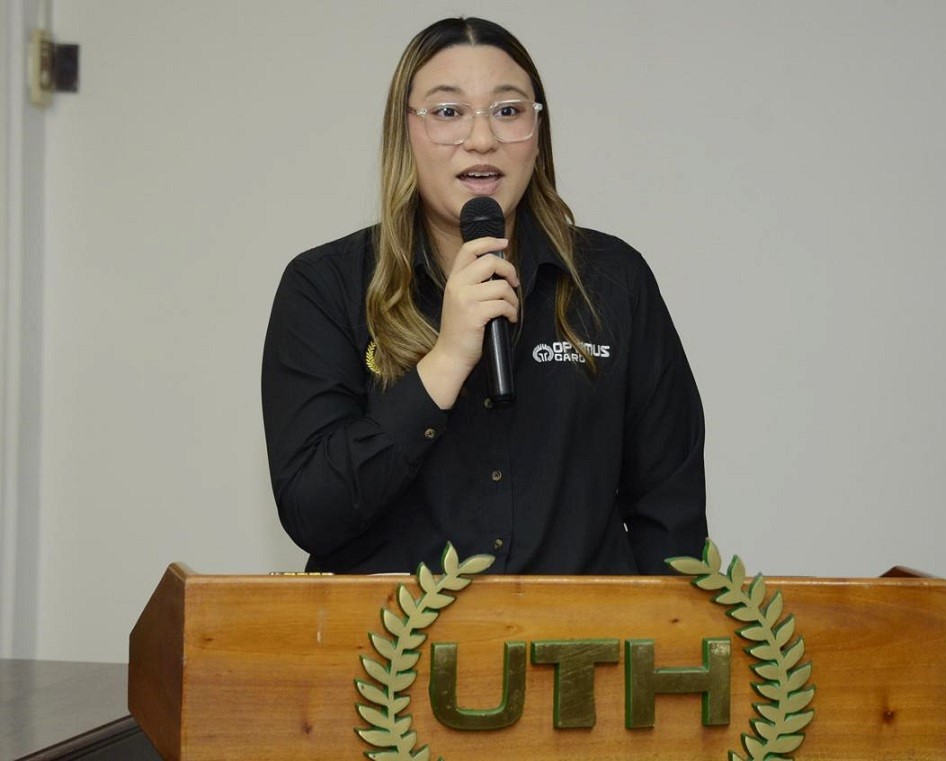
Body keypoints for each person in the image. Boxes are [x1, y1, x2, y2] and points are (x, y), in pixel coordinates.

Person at [261, 17, 706, 575]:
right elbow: (312, 511)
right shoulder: (324, 286)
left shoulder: (614, 280)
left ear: (537, 133)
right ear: (404, 132)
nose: (481, 139)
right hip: (392, 632)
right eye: (448, 111)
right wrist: (445, 361)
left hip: (578, 630)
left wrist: (664, 626)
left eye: (508, 110)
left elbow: (670, 513)